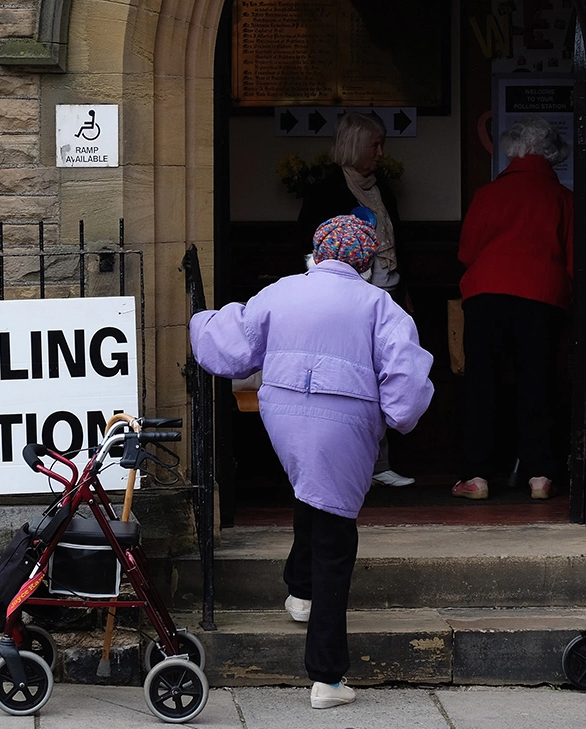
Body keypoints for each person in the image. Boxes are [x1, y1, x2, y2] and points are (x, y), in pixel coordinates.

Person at [189, 214, 434, 709]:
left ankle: (299, 592)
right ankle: (328, 677)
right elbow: (406, 386)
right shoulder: (379, 305)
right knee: (336, 541)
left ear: (317, 253)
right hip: (345, 421)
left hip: (283, 415)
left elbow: (233, 346)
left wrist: (199, 319)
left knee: (312, 493)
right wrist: (395, 417)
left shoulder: (282, 291)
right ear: (365, 262)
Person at [453, 115, 574, 502]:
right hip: (541, 297)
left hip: (486, 295)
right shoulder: (562, 198)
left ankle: (477, 476)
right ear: (551, 154)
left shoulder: (487, 194)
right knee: (537, 384)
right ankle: (540, 476)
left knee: (481, 385)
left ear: (513, 152)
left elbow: (466, 253)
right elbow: (573, 262)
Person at [297, 111, 416, 489]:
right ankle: (353, 466)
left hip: (388, 294)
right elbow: (308, 248)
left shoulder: (382, 189)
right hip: (348, 301)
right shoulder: (327, 190)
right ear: (353, 146)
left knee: (387, 377)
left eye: (382, 144)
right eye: (374, 145)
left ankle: (379, 464)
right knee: (352, 381)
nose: (380, 152)